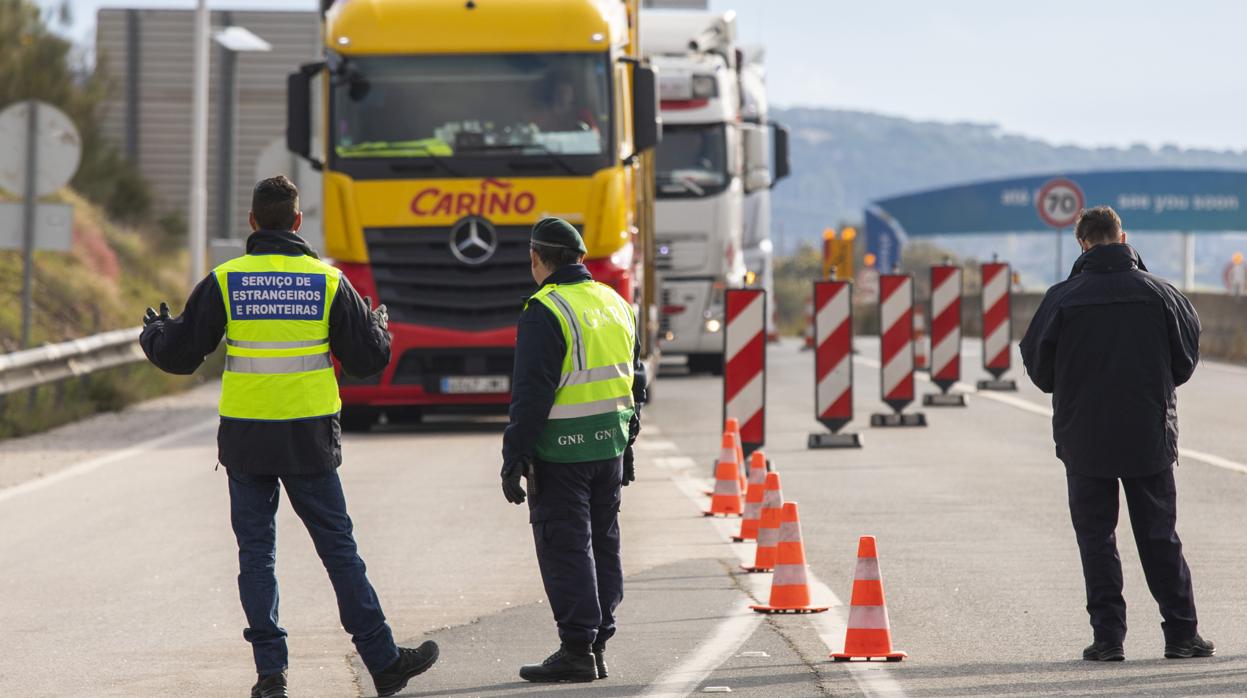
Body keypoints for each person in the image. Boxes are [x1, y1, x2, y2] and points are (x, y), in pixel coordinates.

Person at [140, 176, 438, 698]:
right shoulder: (326, 281)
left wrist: (154, 334)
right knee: (339, 551)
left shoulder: (226, 280)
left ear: (253, 222)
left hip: (247, 438)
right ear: (298, 222)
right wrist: (379, 327)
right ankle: (383, 660)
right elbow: (369, 360)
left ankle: (271, 676)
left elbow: (182, 355)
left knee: (257, 556)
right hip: (308, 438)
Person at [1020, 205, 1212, 662]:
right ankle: (1182, 634)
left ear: (1082, 242)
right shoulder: (1163, 294)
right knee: (1159, 534)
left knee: (1097, 538)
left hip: (1084, 437)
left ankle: (1109, 639)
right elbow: (1184, 362)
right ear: (1122, 238)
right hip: (1148, 433)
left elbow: (1039, 369)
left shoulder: (1061, 298)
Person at [501, 217, 647, 683]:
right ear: (581, 258)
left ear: (536, 258)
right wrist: (628, 441)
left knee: (565, 545)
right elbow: (635, 379)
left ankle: (577, 649)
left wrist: (514, 456)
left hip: (562, 452)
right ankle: (597, 641)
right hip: (608, 445)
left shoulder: (545, 308)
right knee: (603, 541)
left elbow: (532, 394)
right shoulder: (615, 302)